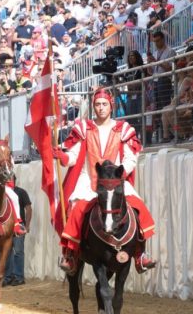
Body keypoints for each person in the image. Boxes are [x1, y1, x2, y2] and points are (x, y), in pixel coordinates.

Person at [53, 89, 157, 275]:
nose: (101, 108)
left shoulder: (123, 129)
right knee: (75, 210)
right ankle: (71, 255)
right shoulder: (83, 128)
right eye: (98, 105)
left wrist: (118, 174)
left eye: (104, 104)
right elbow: (74, 157)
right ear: (93, 106)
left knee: (138, 207)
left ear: (111, 106)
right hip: (87, 180)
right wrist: (62, 157)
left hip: (115, 180)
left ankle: (140, 254)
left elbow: (130, 159)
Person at [0, 175, 32, 287]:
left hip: (19, 224)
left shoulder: (21, 192)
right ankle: (7, 276)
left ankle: (18, 277)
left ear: (14, 180)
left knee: (18, 251)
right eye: (6, 179)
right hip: (4, 226)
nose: (8, 180)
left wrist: (27, 225)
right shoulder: (0, 192)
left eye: (10, 178)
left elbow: (28, 208)